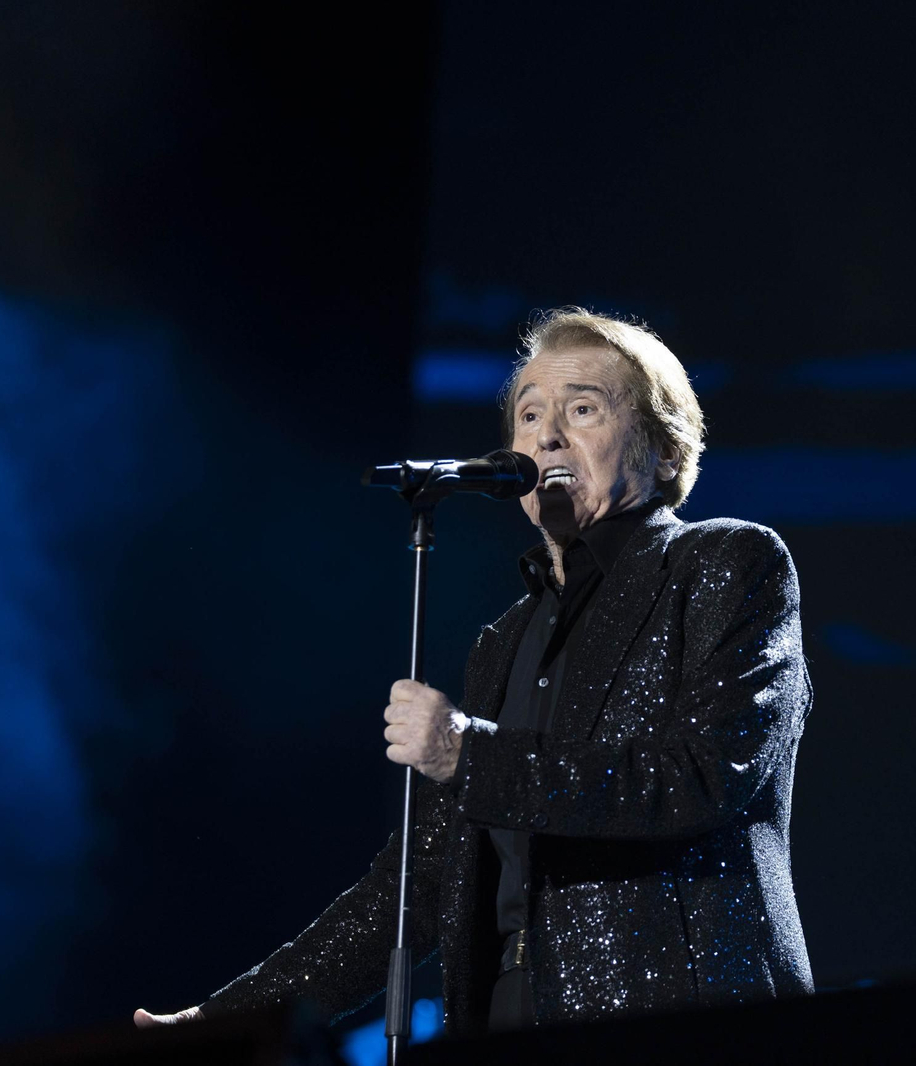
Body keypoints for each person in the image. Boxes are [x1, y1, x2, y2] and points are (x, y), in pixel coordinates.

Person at [135, 308, 813, 1036]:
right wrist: (227, 1025)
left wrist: (468, 752)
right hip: (505, 1013)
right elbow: (413, 888)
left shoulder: (727, 564)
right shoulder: (503, 643)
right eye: (529, 416)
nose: (546, 434)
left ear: (666, 452)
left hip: (678, 1010)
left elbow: (702, 776)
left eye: (582, 408)